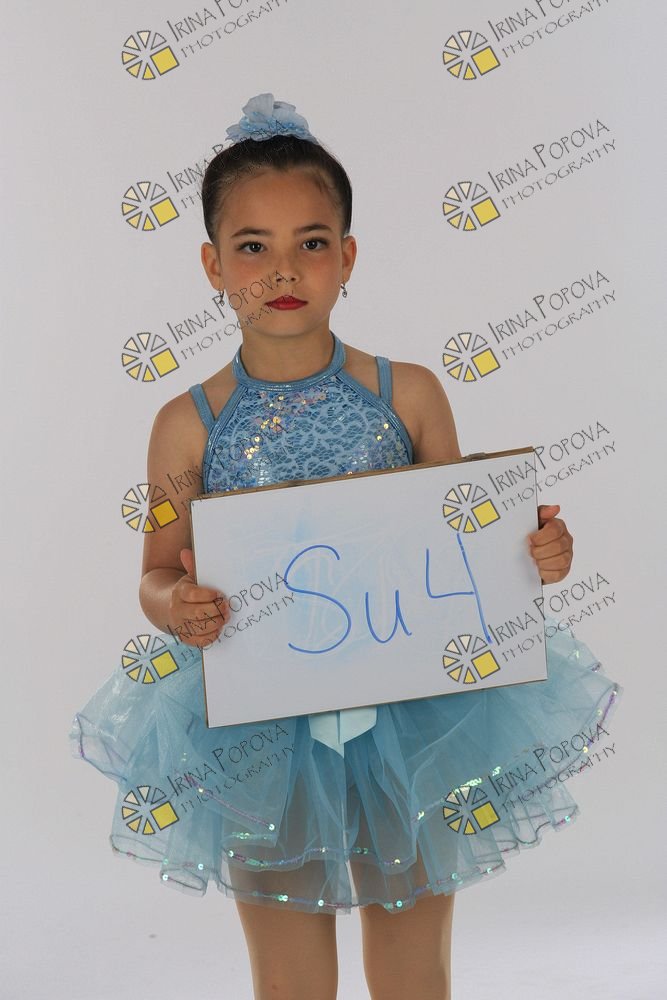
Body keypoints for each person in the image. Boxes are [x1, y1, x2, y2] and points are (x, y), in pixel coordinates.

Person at [69, 93, 622, 1000]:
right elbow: (156, 574)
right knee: (290, 979)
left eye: (312, 242)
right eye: (253, 246)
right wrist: (180, 605)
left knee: (413, 969)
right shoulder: (186, 425)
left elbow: (461, 546)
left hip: (411, 720)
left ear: (348, 257)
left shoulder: (409, 394)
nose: (283, 268)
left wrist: (530, 553)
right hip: (257, 733)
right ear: (213, 264)